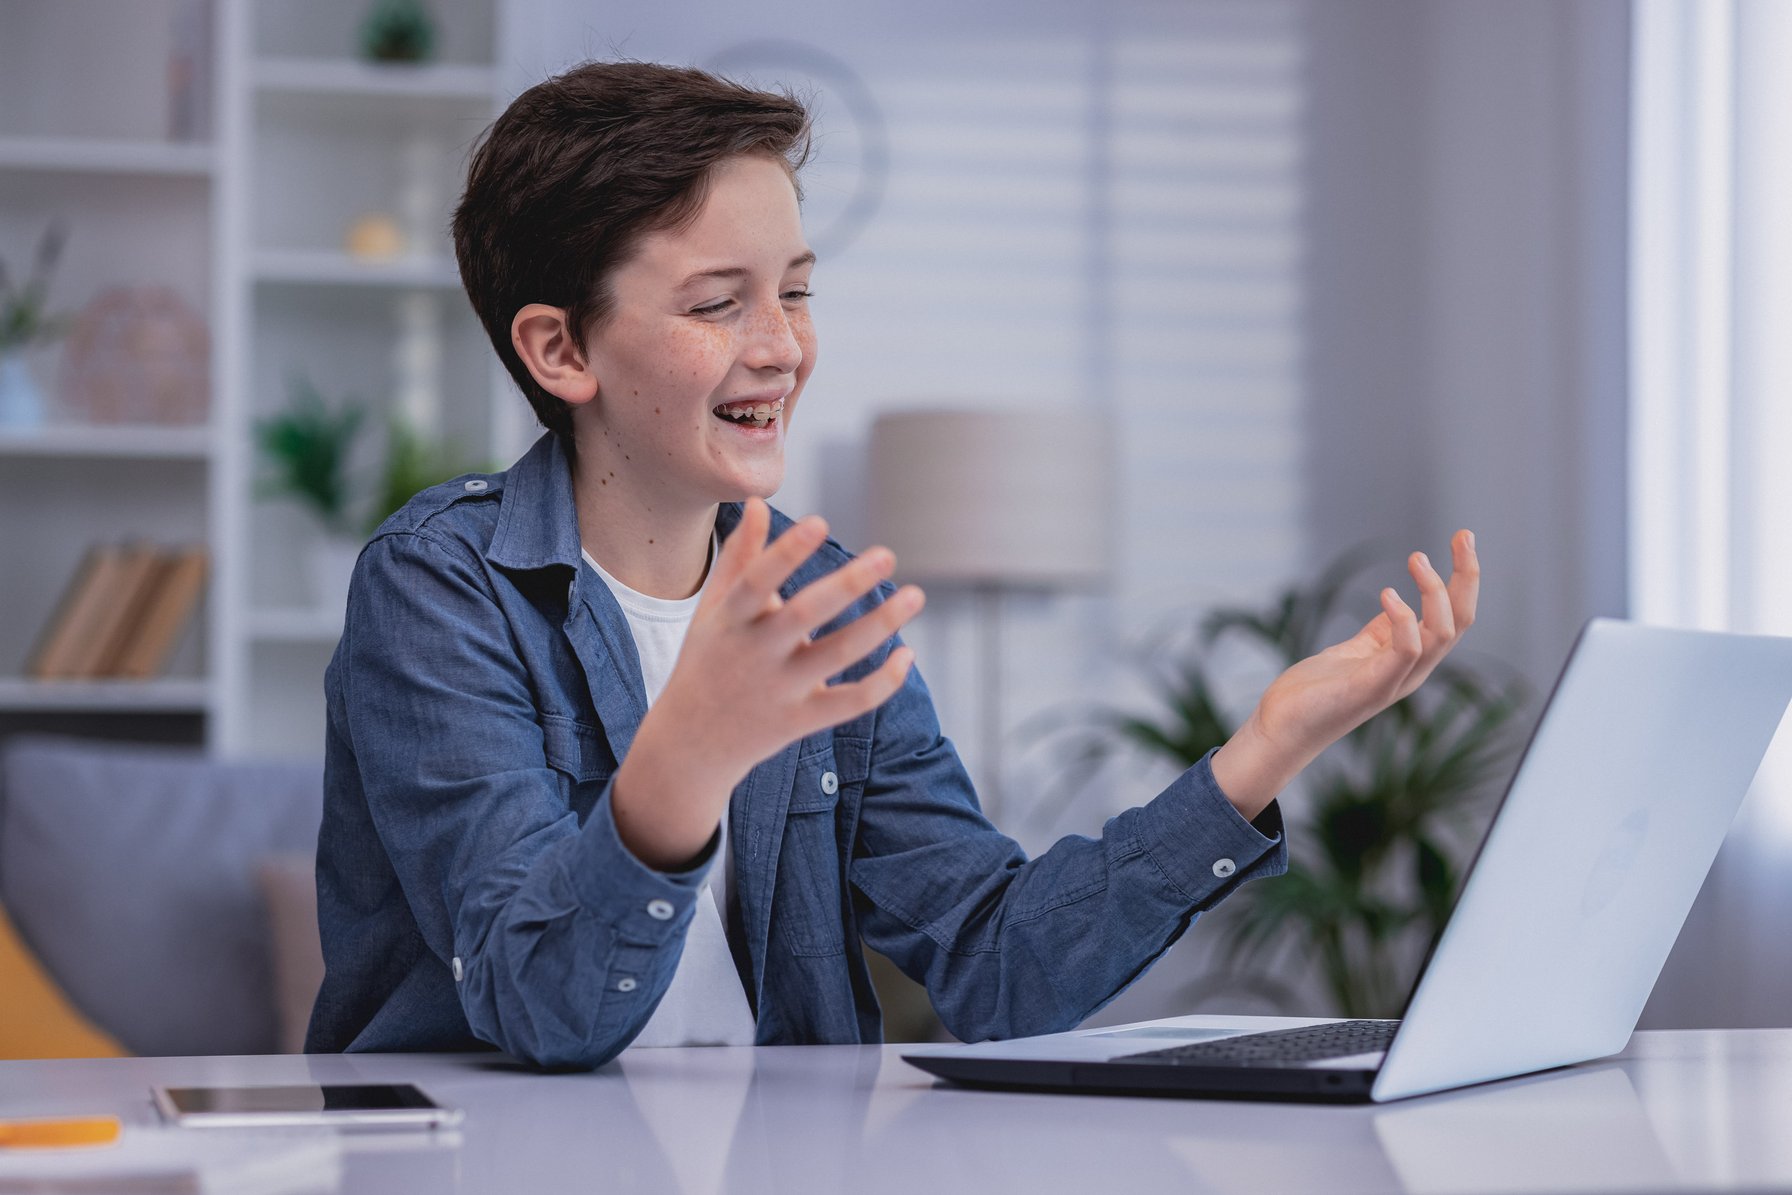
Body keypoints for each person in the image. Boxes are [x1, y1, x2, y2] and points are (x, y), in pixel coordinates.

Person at [306, 60, 1479, 1071]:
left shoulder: (829, 609)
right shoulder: (438, 586)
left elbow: (995, 965)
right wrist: (691, 753)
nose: (781, 345)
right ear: (562, 349)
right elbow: (539, 1007)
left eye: (798, 291)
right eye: (719, 303)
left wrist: (1259, 754)